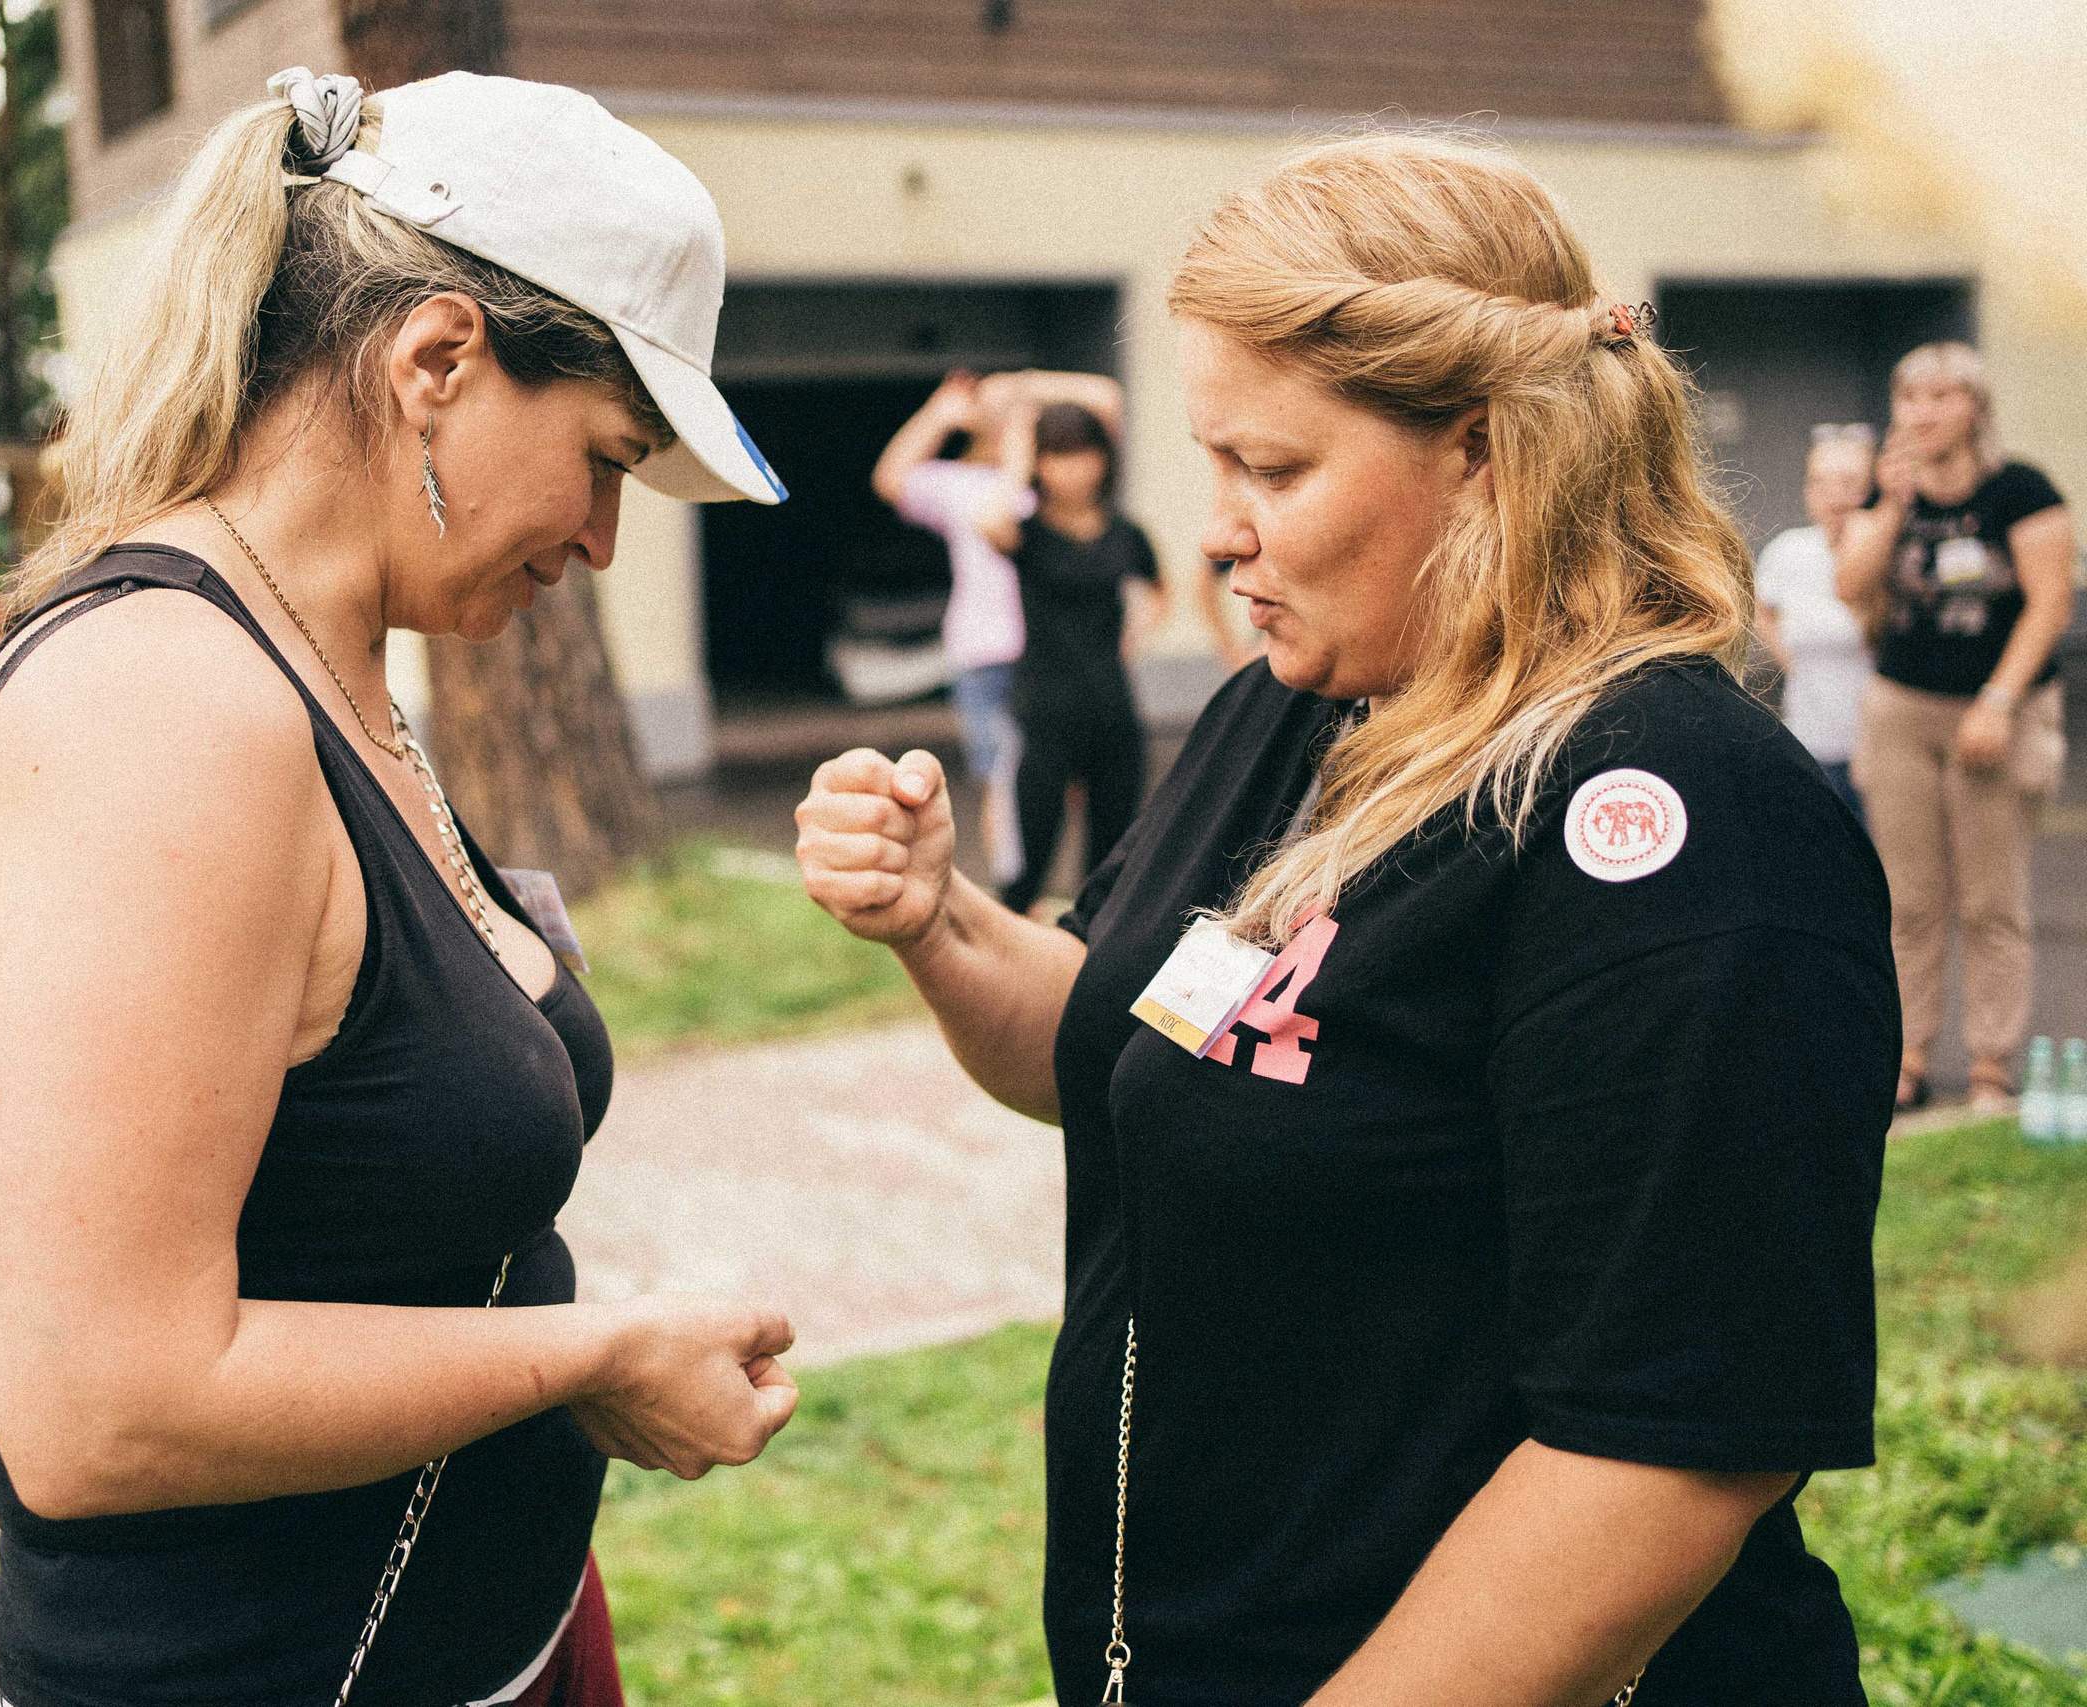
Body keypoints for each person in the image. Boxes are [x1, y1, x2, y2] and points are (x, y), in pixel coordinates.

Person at [798, 133, 1892, 1706]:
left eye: (1275, 469)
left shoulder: (1672, 813)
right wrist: (938, 918)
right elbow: (1120, 1040)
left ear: (1485, 452)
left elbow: (1662, 1457)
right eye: (1213, 463)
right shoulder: (1290, 708)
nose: (1222, 531)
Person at [0, 69, 799, 1707]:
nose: (606, 537)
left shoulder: (337, 664)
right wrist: (593, 1353)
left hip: (481, 1631)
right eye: (605, 456)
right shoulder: (168, 708)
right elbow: (105, 1406)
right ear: (436, 359)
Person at [1837, 341, 2074, 1115]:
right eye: (1910, 399)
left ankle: (1990, 1066)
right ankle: (1906, 1058)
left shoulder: (2021, 489)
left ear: (1975, 406)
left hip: (1997, 711)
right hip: (1904, 708)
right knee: (1908, 899)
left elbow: (2049, 603)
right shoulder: (1894, 488)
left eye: (1940, 398)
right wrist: (1892, 506)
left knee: (1990, 898)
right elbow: (1850, 585)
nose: (1923, 413)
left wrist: (1999, 702)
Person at [874, 368, 1124, 884]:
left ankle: (1066, 888)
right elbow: (890, 479)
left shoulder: (1059, 486)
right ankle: (1017, 891)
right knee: (1007, 780)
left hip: (1066, 654)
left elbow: (1108, 398)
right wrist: (938, 414)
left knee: (1077, 782)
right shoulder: (963, 485)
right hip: (988, 654)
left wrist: (1021, 384)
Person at [970, 400, 1165, 913]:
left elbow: (1157, 588)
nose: (1072, 468)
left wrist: (1135, 638)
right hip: (1043, 713)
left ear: (1103, 458)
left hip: (1112, 712)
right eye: (1056, 455)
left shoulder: (1124, 532)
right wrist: (1016, 461)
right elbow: (990, 523)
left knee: (1111, 866)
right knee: (1026, 869)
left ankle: (1088, 972)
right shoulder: (1027, 533)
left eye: (1082, 453)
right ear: (1039, 463)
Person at [1754, 423, 1878, 821]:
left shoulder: (1888, 549)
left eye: (1848, 482)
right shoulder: (1789, 550)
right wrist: (1793, 663)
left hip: (1879, 746)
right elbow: (1761, 609)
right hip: (1811, 740)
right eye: (1820, 482)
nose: (1834, 495)